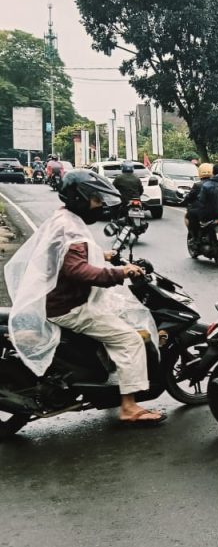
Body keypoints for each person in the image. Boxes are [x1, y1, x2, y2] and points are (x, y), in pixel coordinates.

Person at [6, 170, 164, 425]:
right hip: (70, 305)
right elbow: (77, 270)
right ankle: (129, 406)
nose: (100, 205)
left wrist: (104, 255)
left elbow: (66, 255)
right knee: (130, 339)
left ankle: (111, 375)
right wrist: (120, 272)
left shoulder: (64, 217)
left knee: (118, 314)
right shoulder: (71, 228)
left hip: (57, 297)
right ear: (80, 198)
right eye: (96, 200)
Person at [181, 162, 213, 234]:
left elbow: (190, 197)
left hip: (203, 212)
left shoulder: (197, 185)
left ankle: (194, 235)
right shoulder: (216, 184)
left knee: (189, 215)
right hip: (215, 211)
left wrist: (185, 201)